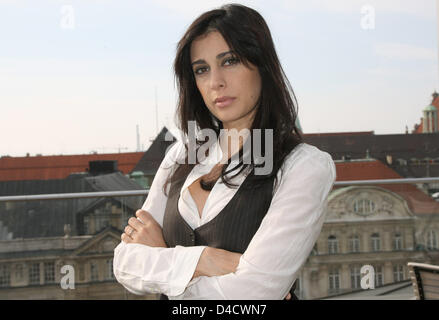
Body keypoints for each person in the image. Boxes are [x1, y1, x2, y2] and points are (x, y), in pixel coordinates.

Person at [113, 3, 336, 300]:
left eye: (229, 61)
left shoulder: (304, 166)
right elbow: (124, 263)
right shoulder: (181, 156)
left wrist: (163, 258)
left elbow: (253, 295)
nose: (215, 82)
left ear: (263, 66)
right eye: (201, 69)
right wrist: (205, 260)